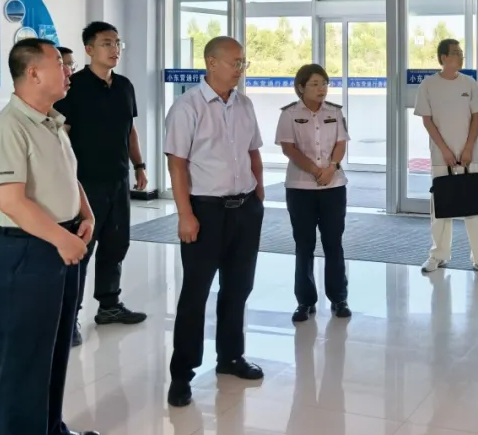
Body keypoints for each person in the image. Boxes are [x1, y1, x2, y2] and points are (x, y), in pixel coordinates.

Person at [0, 38, 101, 435]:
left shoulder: (51, 122)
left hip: (60, 245)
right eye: (60, 65)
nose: (69, 71)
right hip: (26, 252)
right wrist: (62, 239)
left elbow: (68, 175)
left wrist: (85, 213)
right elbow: (11, 202)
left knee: (54, 348)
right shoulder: (7, 127)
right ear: (32, 73)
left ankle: (48, 430)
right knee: (23, 360)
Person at [164, 36, 266, 408]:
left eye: (243, 62)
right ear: (211, 62)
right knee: (196, 293)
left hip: (245, 209)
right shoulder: (187, 107)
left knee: (238, 288)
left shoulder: (244, 104)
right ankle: (182, 374)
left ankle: (231, 357)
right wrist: (185, 214)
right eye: (235, 62)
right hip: (205, 211)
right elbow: (177, 165)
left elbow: (253, 152)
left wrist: (258, 196)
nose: (240, 68)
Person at [55, 22, 147, 348]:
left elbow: (129, 130)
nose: (114, 49)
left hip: (118, 179)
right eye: (107, 43)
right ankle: (69, 317)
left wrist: (139, 166)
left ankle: (109, 305)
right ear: (89, 49)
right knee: (82, 248)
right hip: (85, 183)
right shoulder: (74, 87)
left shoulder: (124, 86)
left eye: (117, 43)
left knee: (116, 243)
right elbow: (61, 136)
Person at [276, 64, 352, 323]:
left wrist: (331, 168)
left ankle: (339, 298)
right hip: (300, 188)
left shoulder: (335, 112)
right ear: (301, 87)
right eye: (315, 84)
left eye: (324, 84)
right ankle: (305, 301)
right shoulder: (289, 114)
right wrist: (314, 170)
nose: (322, 89)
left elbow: (341, 143)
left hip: (333, 186)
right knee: (304, 244)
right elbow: (288, 148)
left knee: (333, 243)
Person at [414, 39, 478, 277]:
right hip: (441, 156)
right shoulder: (428, 85)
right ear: (443, 58)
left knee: (474, 209)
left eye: (461, 52)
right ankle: (438, 255)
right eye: (456, 53)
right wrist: (445, 150)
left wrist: (468, 148)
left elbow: (477, 117)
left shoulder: (469, 83)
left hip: (469, 156)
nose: (461, 56)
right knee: (441, 209)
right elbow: (427, 120)